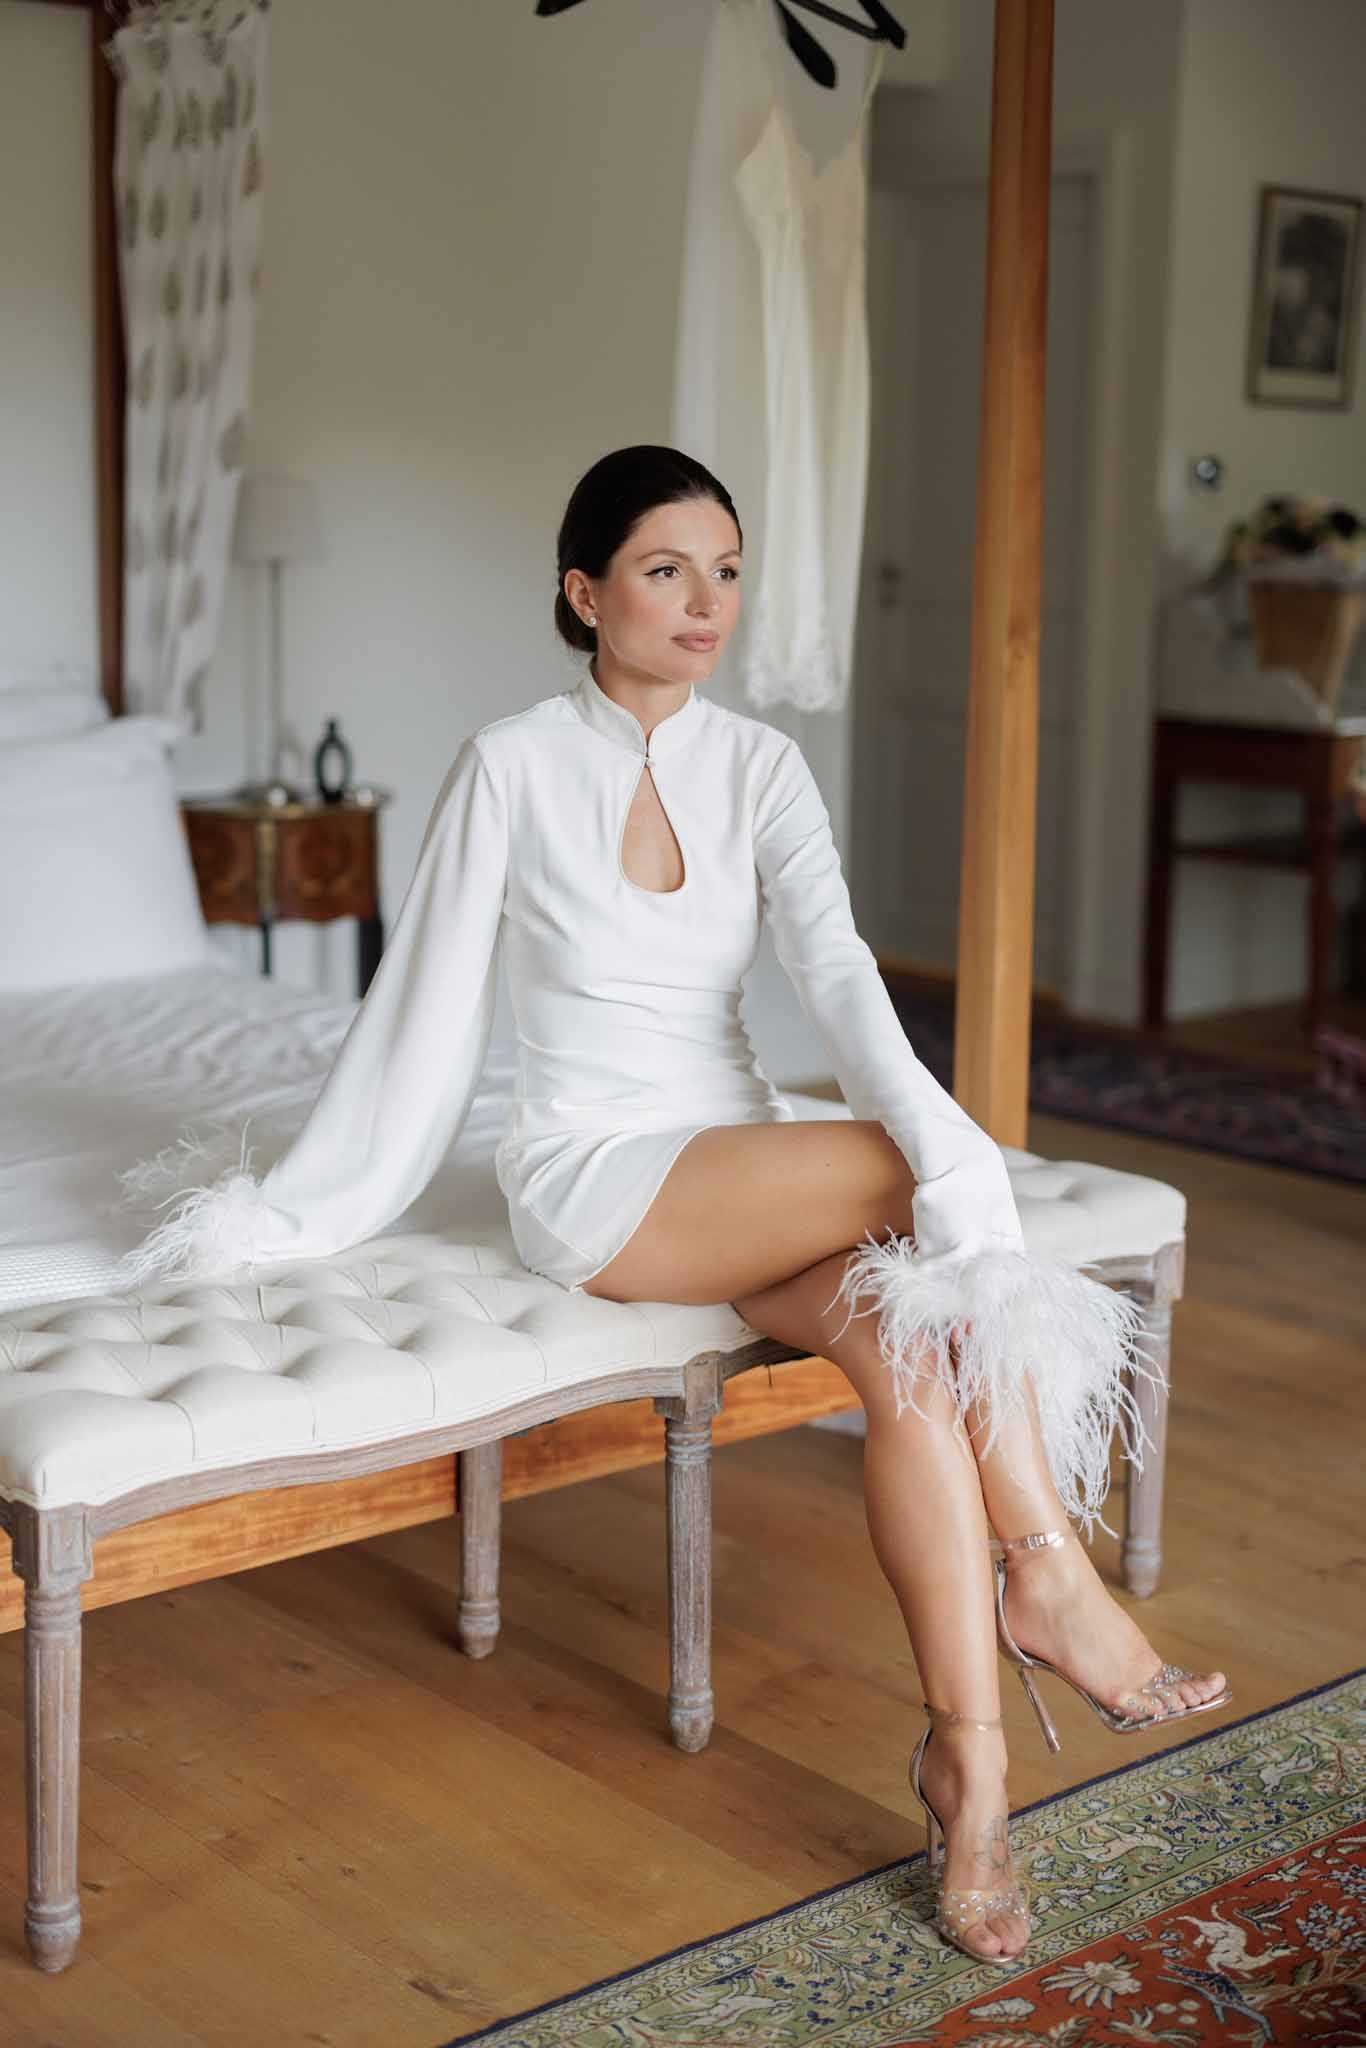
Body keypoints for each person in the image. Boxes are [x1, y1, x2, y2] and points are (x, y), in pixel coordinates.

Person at [115, 445, 1230, 1968]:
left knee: (913, 1349)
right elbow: (427, 999)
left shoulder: (760, 766)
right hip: (597, 1177)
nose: (705, 601)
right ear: (584, 593)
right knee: (930, 1175)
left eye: (725, 570)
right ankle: (1044, 1566)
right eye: (664, 569)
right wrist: (327, 1194)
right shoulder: (511, 760)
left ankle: (966, 1773)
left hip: (739, 1151)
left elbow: (838, 979)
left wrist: (921, 1137)